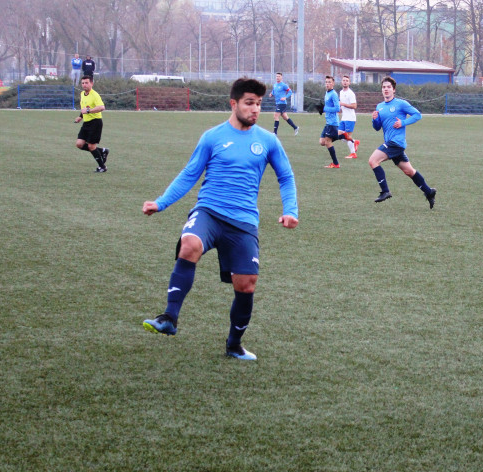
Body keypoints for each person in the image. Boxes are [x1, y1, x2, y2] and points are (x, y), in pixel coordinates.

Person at [141, 77, 299, 361]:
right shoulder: (212, 137)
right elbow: (189, 174)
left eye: (258, 104)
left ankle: (234, 344)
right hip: (209, 212)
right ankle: (169, 317)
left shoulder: (268, 141)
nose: (255, 109)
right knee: (190, 244)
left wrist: (291, 211)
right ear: (233, 104)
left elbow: (286, 177)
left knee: (246, 284)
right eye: (249, 103)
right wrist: (161, 203)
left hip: (244, 222)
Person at [368, 76, 436, 208]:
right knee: (409, 171)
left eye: (388, 87)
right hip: (391, 143)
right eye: (384, 87)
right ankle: (429, 192)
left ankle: (385, 191)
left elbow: (417, 115)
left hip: (396, 143)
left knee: (373, 161)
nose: (386, 89)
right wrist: (374, 119)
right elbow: (377, 127)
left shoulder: (401, 104)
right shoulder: (379, 106)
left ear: (393, 90)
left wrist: (403, 123)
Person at [74, 75, 110, 173]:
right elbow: (84, 108)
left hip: (95, 122)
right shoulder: (82, 94)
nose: (84, 85)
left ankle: (102, 167)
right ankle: (102, 151)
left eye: (86, 83)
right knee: (79, 144)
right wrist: (80, 117)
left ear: (91, 83)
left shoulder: (95, 95)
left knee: (91, 146)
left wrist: (88, 111)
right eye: (83, 83)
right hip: (86, 123)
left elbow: (102, 107)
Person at [319, 75, 354, 169]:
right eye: (326, 82)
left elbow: (337, 108)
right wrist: (322, 109)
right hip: (328, 122)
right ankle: (343, 136)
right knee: (322, 142)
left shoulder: (333, 94)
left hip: (332, 123)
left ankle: (335, 163)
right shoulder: (327, 93)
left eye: (329, 82)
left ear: (333, 83)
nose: (327, 84)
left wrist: (324, 108)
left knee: (327, 142)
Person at [339, 74, 360, 158]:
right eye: (344, 80)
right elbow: (341, 105)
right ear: (341, 82)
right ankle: (354, 142)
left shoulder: (351, 93)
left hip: (350, 118)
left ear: (349, 83)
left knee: (347, 136)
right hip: (344, 118)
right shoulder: (341, 92)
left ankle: (353, 153)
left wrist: (343, 104)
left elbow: (354, 106)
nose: (345, 82)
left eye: (347, 81)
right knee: (340, 136)